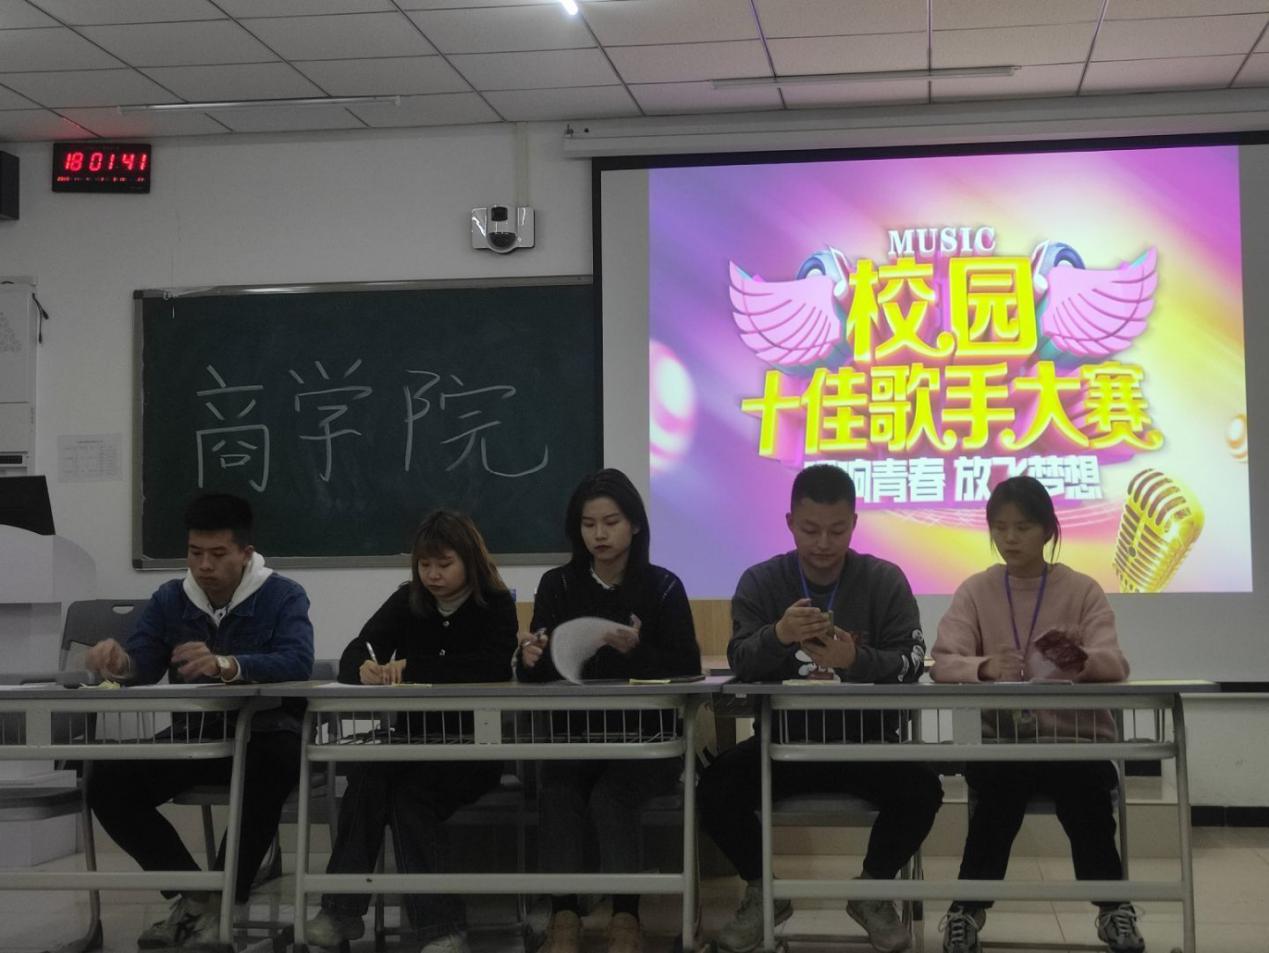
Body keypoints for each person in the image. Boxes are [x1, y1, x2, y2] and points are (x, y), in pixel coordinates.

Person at [697, 464, 941, 953]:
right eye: (810, 530)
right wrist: (779, 635)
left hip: (867, 743)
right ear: (790, 523)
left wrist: (855, 660)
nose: (824, 543)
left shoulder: (883, 580)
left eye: (837, 530)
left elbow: (913, 659)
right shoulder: (763, 581)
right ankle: (763, 892)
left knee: (923, 790)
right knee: (715, 789)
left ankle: (872, 892)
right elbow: (740, 661)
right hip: (783, 744)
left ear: (855, 524)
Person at [84, 493, 314, 950]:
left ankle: (226, 899)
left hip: (268, 734)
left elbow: (297, 661)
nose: (204, 565)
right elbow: (144, 661)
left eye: (217, 554)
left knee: (269, 768)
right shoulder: (172, 598)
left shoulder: (283, 594)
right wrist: (120, 662)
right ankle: (197, 895)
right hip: (197, 733)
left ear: (245, 553)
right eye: (194, 553)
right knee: (107, 781)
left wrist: (227, 664)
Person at [931, 475, 1143, 953]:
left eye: (1023, 527)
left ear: (1048, 529)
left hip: (1074, 743)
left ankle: (1115, 910)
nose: (1010, 538)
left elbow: (1115, 663)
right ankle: (966, 911)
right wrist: (985, 667)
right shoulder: (976, 590)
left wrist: (1080, 661)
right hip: (1003, 744)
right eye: (1000, 527)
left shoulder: (1083, 589)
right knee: (996, 798)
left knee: (1087, 799)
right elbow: (943, 661)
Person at [304, 509, 518, 953]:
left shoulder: (495, 603)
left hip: (472, 749)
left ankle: (442, 929)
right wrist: (362, 668)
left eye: (444, 564)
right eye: (424, 565)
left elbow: (490, 666)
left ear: (469, 561)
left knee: (411, 797)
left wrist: (413, 667)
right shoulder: (407, 600)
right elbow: (357, 650)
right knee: (367, 776)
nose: (433, 575)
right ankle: (341, 912)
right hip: (410, 742)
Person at [515, 468, 701, 953]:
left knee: (610, 796)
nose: (599, 534)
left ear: (634, 525)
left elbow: (687, 668)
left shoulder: (662, 587)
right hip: (574, 737)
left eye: (611, 522)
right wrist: (529, 658)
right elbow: (541, 666)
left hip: (647, 742)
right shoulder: (558, 584)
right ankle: (563, 916)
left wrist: (637, 652)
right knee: (558, 790)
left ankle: (626, 917)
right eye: (588, 524)